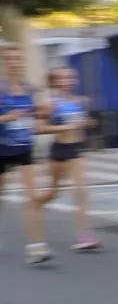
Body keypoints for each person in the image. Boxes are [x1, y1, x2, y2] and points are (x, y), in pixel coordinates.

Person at [37, 67, 100, 251]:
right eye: (63, 78)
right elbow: (39, 128)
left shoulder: (82, 102)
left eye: (72, 77)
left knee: (80, 191)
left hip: (76, 150)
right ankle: (35, 206)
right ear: (55, 81)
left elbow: (80, 124)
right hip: (59, 151)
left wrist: (86, 124)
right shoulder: (49, 103)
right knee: (53, 192)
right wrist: (66, 127)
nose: (69, 80)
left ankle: (85, 236)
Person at [0, 45, 50, 264]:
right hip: (1, 149)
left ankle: (36, 247)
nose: (14, 62)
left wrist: (42, 115)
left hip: (24, 148)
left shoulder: (30, 89)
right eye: (9, 59)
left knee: (32, 197)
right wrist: (7, 118)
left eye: (17, 59)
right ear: (3, 62)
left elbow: (37, 120)